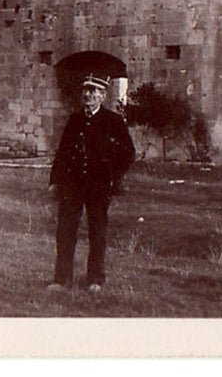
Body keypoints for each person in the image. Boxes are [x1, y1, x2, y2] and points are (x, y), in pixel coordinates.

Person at [48, 74, 135, 293]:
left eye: (94, 91)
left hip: (99, 186)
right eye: (86, 90)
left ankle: (95, 279)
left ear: (103, 96)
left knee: (97, 232)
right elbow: (62, 153)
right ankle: (61, 280)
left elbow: (128, 153)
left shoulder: (113, 121)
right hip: (72, 185)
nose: (88, 95)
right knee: (65, 230)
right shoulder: (75, 120)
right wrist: (55, 181)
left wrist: (112, 175)